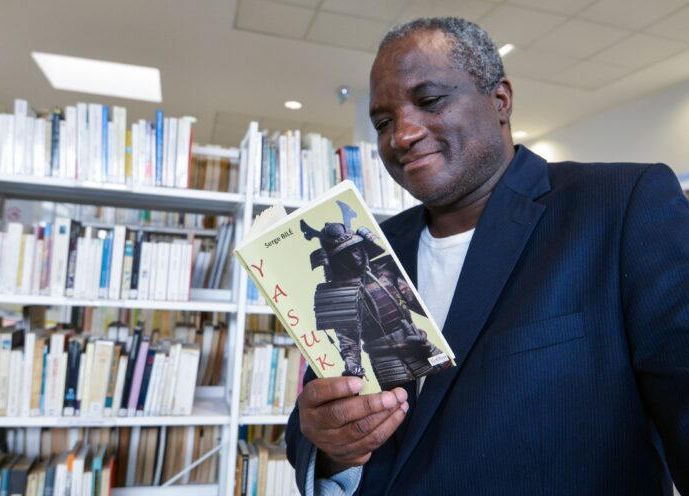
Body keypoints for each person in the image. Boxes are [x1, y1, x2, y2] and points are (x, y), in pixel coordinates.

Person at [286, 16, 689, 496]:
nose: (402, 135)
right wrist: (333, 446)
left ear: (500, 101)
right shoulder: (362, 250)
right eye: (383, 122)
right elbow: (317, 425)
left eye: (429, 100)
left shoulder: (620, 205)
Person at [299, 200, 450, 388]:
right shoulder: (337, 294)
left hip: (418, 343)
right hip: (384, 358)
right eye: (346, 254)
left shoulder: (387, 271)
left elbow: (417, 303)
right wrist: (352, 366)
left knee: (448, 376)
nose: (355, 256)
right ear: (337, 261)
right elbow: (347, 337)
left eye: (356, 249)